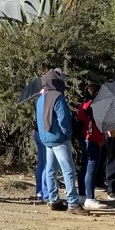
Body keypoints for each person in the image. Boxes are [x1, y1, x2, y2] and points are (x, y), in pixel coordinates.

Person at [36, 69, 88, 215]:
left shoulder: (40, 98)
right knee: (68, 170)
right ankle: (73, 203)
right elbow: (63, 119)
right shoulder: (58, 97)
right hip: (59, 139)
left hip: (46, 139)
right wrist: (68, 134)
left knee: (51, 170)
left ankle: (54, 200)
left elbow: (39, 120)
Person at [76, 84, 108, 210]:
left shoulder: (82, 106)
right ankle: (90, 197)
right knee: (91, 169)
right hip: (93, 140)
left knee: (84, 167)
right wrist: (100, 139)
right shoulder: (94, 107)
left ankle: (82, 195)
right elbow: (94, 127)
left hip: (84, 139)